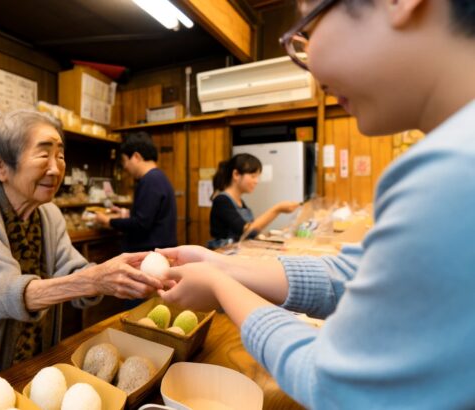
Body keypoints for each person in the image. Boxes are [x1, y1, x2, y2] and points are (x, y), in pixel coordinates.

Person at [155, 0, 475, 407]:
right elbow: (350, 274)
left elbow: (332, 381)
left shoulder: (453, 167)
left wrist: (222, 285)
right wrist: (222, 266)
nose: (309, 66)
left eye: (309, 26)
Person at [0, 110, 162, 393]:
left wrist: (122, 272)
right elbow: (8, 294)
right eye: (43, 155)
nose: (56, 168)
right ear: (1, 166)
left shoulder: (48, 213)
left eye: (60, 155)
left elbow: (73, 269)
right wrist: (96, 279)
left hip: (31, 367)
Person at [95, 132, 177, 252]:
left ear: (136, 157)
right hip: (156, 252)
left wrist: (108, 221)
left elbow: (140, 224)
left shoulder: (150, 180)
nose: (125, 167)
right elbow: (150, 215)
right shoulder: (158, 177)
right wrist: (127, 213)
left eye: (124, 161)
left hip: (150, 254)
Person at [208, 154, 300, 248]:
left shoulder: (240, 202)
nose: (256, 181)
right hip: (222, 253)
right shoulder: (222, 200)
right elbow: (247, 231)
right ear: (236, 174)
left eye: (258, 177)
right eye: (253, 176)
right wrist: (277, 209)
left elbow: (252, 232)